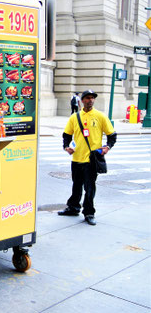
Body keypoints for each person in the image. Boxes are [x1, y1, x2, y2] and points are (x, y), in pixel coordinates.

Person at [58, 89, 117, 225]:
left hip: (91, 159)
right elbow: (66, 134)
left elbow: (112, 135)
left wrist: (107, 147)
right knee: (76, 185)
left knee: (89, 188)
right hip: (77, 158)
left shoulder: (100, 116)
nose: (90, 100)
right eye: (88, 98)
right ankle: (73, 207)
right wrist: (66, 147)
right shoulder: (74, 117)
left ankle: (89, 213)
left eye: (92, 98)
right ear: (82, 100)